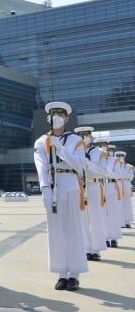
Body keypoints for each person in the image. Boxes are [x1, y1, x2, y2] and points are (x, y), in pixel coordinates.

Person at [34, 102, 87, 291]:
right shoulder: (41, 141)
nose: (56, 118)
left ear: (66, 118)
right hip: (52, 185)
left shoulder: (75, 141)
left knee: (73, 230)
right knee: (55, 231)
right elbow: (40, 166)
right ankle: (61, 273)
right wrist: (44, 189)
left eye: (60, 115)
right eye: (53, 115)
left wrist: (61, 149)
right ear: (48, 119)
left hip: (70, 184)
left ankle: (74, 274)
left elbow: (80, 166)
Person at [74, 130, 108, 262]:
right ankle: (87, 249)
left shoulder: (99, 153)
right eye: (81, 135)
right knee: (83, 221)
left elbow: (104, 171)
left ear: (91, 137)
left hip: (94, 187)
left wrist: (89, 164)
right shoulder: (76, 150)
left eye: (86, 135)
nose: (84, 138)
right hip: (80, 187)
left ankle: (96, 250)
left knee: (96, 220)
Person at [104, 144, 123, 248]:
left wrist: (105, 171)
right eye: (99, 145)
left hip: (111, 186)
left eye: (104, 146)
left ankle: (114, 238)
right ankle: (105, 238)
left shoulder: (115, 160)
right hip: (100, 186)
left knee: (113, 213)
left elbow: (119, 175)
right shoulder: (97, 157)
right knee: (102, 214)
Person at [115, 151, 134, 229]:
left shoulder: (129, 166)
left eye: (121, 156)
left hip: (126, 185)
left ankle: (127, 221)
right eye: (118, 156)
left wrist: (122, 175)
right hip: (117, 184)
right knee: (118, 203)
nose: (120, 157)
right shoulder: (115, 165)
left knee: (127, 204)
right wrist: (123, 175)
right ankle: (120, 221)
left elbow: (131, 177)